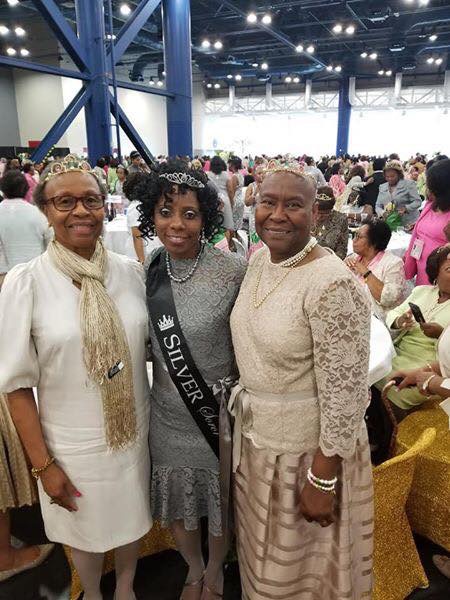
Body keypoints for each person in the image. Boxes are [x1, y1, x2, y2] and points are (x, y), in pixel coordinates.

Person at [0, 155, 152, 600]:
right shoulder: (27, 283)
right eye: (65, 202)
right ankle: (93, 592)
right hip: (71, 443)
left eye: (91, 200)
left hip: (133, 431)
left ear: (105, 205)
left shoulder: (129, 273)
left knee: (131, 517)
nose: (80, 211)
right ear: (45, 211)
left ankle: (125, 587)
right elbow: (15, 386)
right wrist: (43, 466)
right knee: (83, 529)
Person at [229, 163, 373, 599]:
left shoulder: (332, 283)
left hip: (307, 458)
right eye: (268, 202)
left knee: (300, 578)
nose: (277, 215)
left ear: (315, 213)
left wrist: (323, 477)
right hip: (258, 445)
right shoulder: (260, 260)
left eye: (293, 205)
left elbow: (347, 393)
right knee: (260, 567)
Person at [139, 160, 246, 600]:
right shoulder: (152, 264)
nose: (176, 225)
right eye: (165, 212)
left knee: (219, 502)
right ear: (152, 215)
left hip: (216, 415)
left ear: (206, 218)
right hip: (166, 414)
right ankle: (194, 568)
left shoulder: (233, 270)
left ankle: (217, 570)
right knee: (180, 505)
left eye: (189, 214)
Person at [375, 246, 450, 419]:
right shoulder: (421, 291)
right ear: (435, 273)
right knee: (372, 371)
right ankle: (375, 426)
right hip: (398, 353)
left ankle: (392, 430)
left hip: (430, 362)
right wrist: (400, 320)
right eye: (449, 269)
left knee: (396, 387)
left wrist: (441, 334)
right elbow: (393, 313)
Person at [346, 220, 407, 321]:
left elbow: (388, 299)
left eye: (359, 236)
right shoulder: (354, 258)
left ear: (374, 243)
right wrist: (343, 268)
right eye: (355, 235)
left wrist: (365, 272)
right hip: (351, 315)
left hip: (377, 320)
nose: (354, 240)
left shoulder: (393, 264)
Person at [0, 170, 51, 289]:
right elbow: (50, 244)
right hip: (38, 276)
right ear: (27, 189)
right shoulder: (39, 214)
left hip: (6, 279)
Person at [404, 158, 450, 286]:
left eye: (432, 186)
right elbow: (419, 234)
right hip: (421, 268)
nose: (428, 189)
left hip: (440, 274)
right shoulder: (431, 205)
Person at [376, 160, 421, 228]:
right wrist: (382, 213)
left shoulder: (409, 184)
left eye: (392, 176)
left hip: (408, 223)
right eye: (387, 177)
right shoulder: (382, 187)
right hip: (390, 223)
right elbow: (378, 205)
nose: (390, 179)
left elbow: (417, 202)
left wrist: (406, 208)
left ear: (399, 175)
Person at [312, 186, 348, 260]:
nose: (318, 217)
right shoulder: (306, 217)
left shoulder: (341, 220)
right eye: (317, 213)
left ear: (331, 210)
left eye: (324, 214)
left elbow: (342, 250)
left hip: (330, 262)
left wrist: (329, 262)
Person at [207, 156, 234, 235]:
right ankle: (226, 240)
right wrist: (232, 202)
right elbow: (230, 190)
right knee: (226, 223)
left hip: (212, 200)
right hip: (225, 200)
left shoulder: (208, 174)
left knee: (214, 221)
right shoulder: (226, 175)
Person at [227, 156, 245, 231]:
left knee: (232, 225)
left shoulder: (234, 177)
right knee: (238, 224)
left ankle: (233, 238)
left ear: (232, 165)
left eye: (229, 164)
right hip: (241, 200)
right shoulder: (241, 175)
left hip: (235, 202)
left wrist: (230, 205)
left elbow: (232, 192)